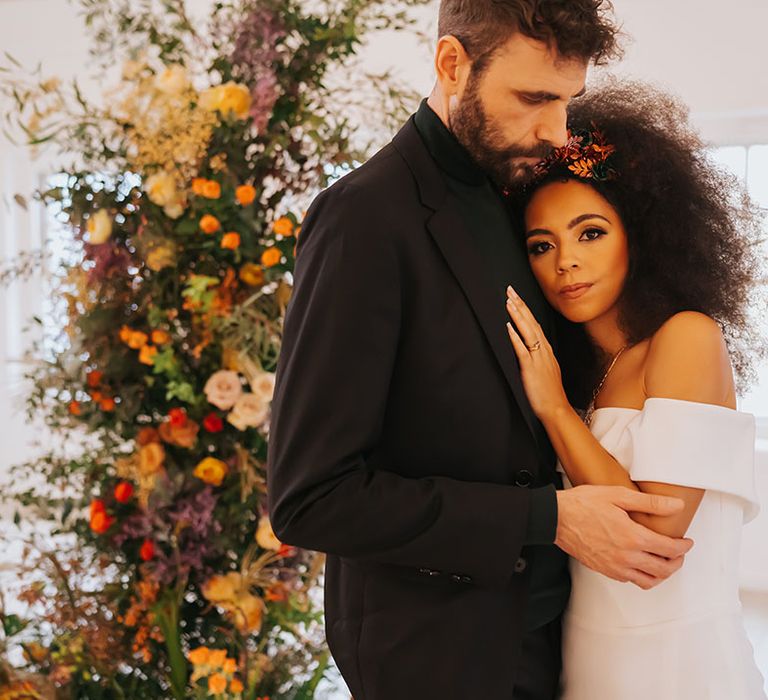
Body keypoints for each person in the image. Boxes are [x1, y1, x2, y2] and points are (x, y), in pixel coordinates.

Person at [267, 2, 692, 698]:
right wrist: (548, 520)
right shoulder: (363, 219)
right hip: (436, 655)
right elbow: (312, 498)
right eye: (533, 98)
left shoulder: (525, 191)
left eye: (567, 101)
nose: (556, 131)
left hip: (555, 640)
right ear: (451, 65)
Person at [504, 80, 767, 699]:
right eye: (543, 245)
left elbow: (656, 537)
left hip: (680, 670)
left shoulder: (686, 337)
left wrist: (553, 408)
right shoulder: (579, 366)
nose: (566, 261)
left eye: (590, 232)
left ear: (641, 233)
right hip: (583, 659)